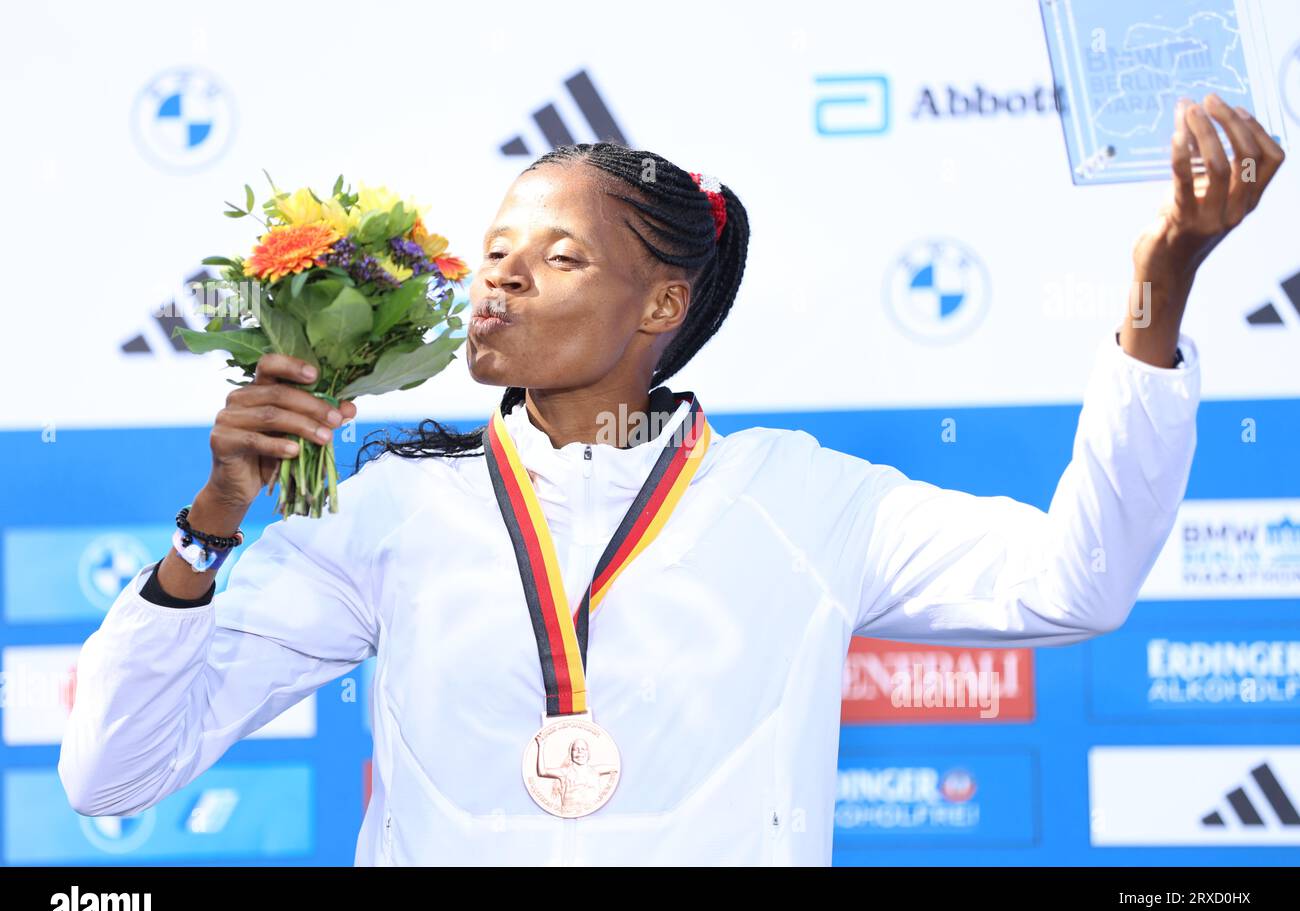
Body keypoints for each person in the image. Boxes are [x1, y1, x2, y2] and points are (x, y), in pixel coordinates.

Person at [58, 94, 1285, 865]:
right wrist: (213, 521)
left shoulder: (800, 499)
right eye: (493, 252)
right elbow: (110, 770)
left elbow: (1076, 583)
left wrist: (1157, 291)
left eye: (558, 254)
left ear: (659, 304)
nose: (502, 277)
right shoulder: (392, 508)